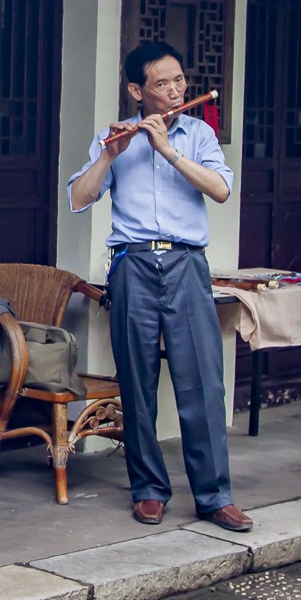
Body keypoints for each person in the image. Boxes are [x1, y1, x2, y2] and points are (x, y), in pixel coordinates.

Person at [67, 41, 253, 532]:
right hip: (132, 264)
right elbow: (78, 199)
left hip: (187, 263)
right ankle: (148, 490)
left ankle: (215, 496)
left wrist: (168, 151)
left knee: (203, 381)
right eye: (162, 83)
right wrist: (109, 156)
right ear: (137, 91)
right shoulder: (114, 137)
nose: (175, 91)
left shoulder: (199, 135)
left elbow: (220, 189)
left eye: (179, 80)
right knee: (138, 380)